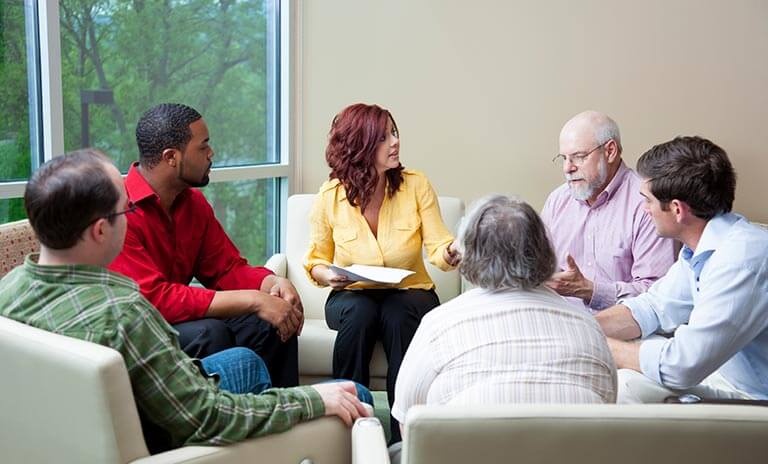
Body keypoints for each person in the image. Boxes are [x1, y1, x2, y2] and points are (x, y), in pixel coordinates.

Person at [0, 149, 369, 452]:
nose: (131, 216)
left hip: (77, 431)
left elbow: (225, 265)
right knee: (355, 394)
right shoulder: (124, 314)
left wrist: (265, 283)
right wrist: (315, 401)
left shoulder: (10, 289)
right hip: (161, 436)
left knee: (243, 360)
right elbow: (207, 417)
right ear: (100, 230)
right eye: (126, 210)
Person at [108, 103, 302, 387]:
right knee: (210, 332)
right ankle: (220, 423)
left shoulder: (193, 204)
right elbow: (154, 299)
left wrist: (270, 283)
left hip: (177, 320)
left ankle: (282, 416)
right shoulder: (120, 212)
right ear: (171, 157)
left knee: (270, 322)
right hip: (136, 332)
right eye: (203, 147)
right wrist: (253, 299)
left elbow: (226, 269)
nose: (211, 154)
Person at [304, 103, 460, 442]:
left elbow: (438, 244)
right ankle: (345, 428)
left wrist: (451, 252)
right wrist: (328, 275)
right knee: (360, 313)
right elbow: (316, 259)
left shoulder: (416, 185)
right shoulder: (330, 196)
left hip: (410, 293)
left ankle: (404, 433)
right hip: (351, 294)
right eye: (384, 137)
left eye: (395, 132)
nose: (395, 142)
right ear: (360, 145)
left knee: (398, 313)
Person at [392, 195, 616, 423]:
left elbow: (408, 421)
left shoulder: (438, 325)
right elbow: (608, 410)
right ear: (544, 251)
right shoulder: (589, 327)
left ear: (469, 254)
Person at [595, 136, 768, 403]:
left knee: (626, 383)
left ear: (677, 210)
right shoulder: (700, 249)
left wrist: (598, 345)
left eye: (647, 201)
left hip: (754, 397)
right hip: (722, 375)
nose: (645, 210)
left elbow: (681, 366)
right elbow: (653, 308)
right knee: (642, 349)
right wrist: (580, 328)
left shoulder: (741, 261)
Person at [541, 110, 677, 312]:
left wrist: (590, 290)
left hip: (626, 333)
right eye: (564, 158)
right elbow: (538, 268)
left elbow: (656, 294)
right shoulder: (557, 201)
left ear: (610, 151)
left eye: (578, 157)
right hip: (564, 329)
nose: (567, 168)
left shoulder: (647, 202)